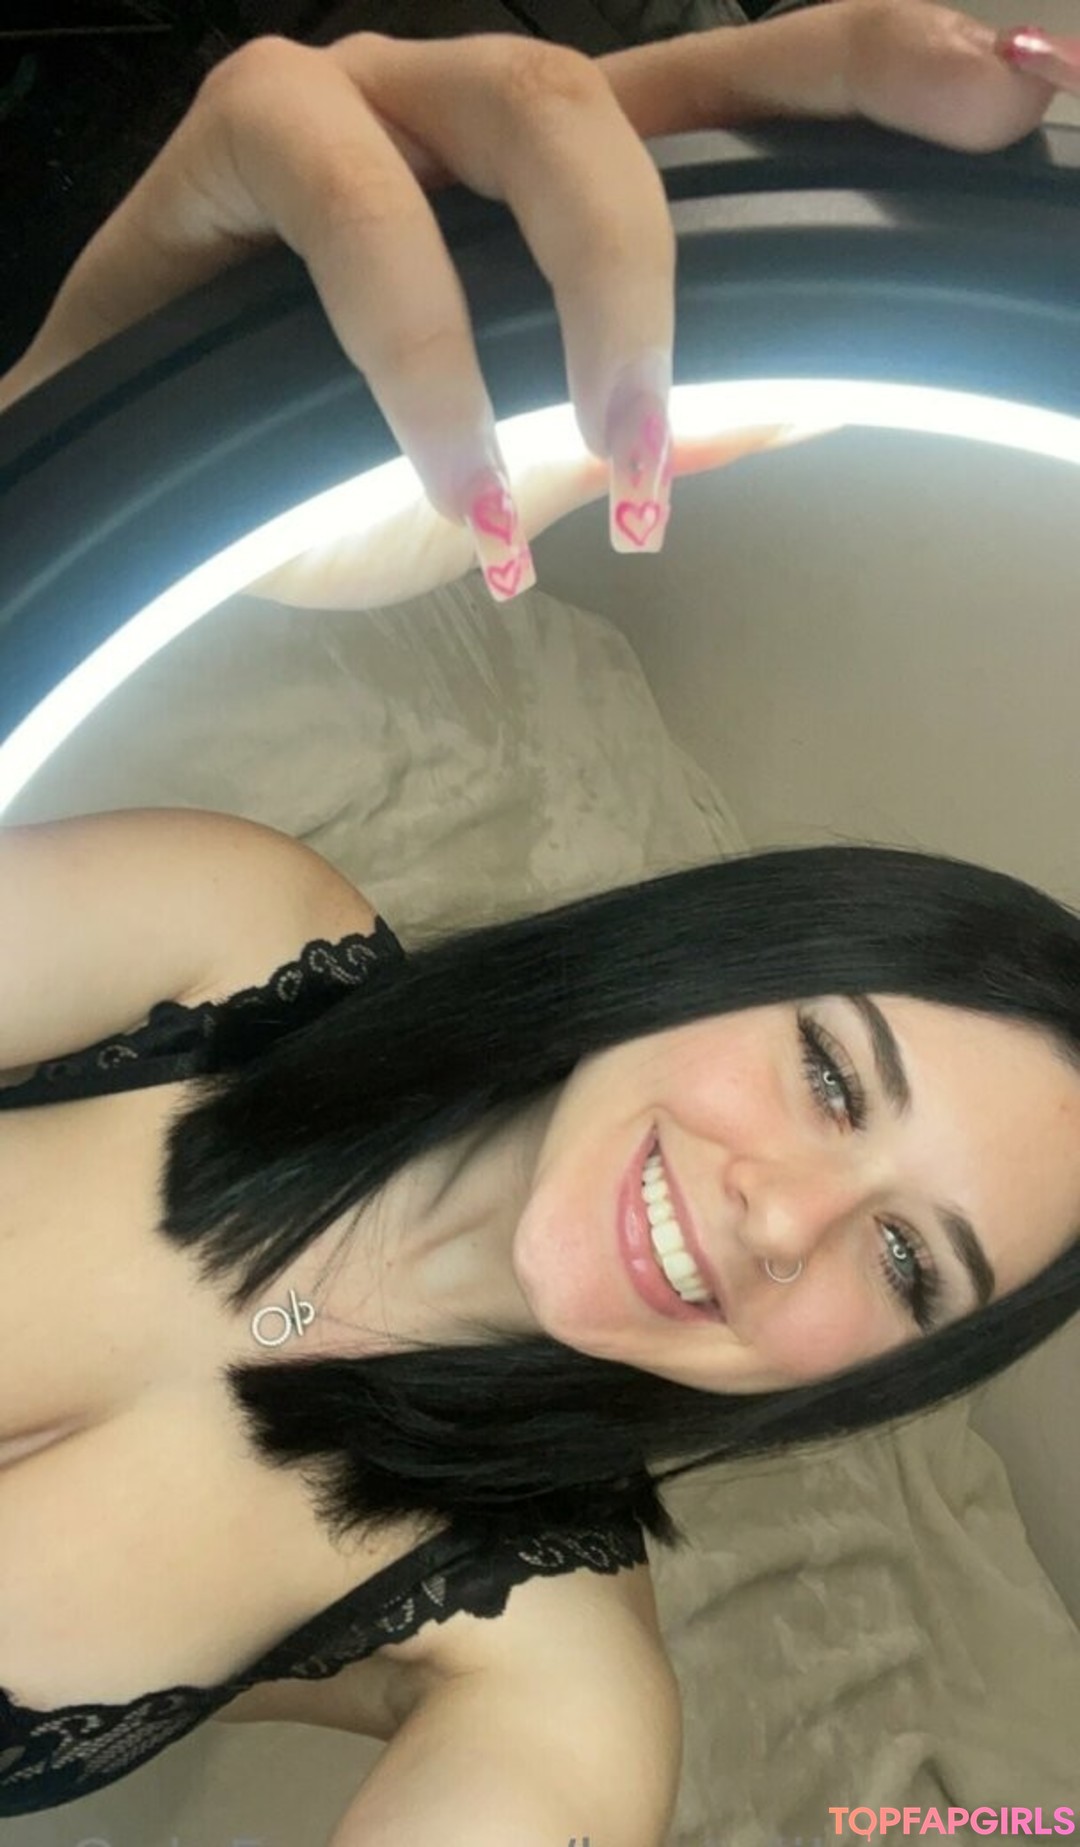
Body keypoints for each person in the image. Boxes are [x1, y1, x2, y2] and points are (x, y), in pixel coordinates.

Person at [0, 3, 1078, 1836]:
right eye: (831, 1076)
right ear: (706, 962)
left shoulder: (555, 1678)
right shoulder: (227, 928)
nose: (785, 1223)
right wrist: (73, 464)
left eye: (909, 1268)